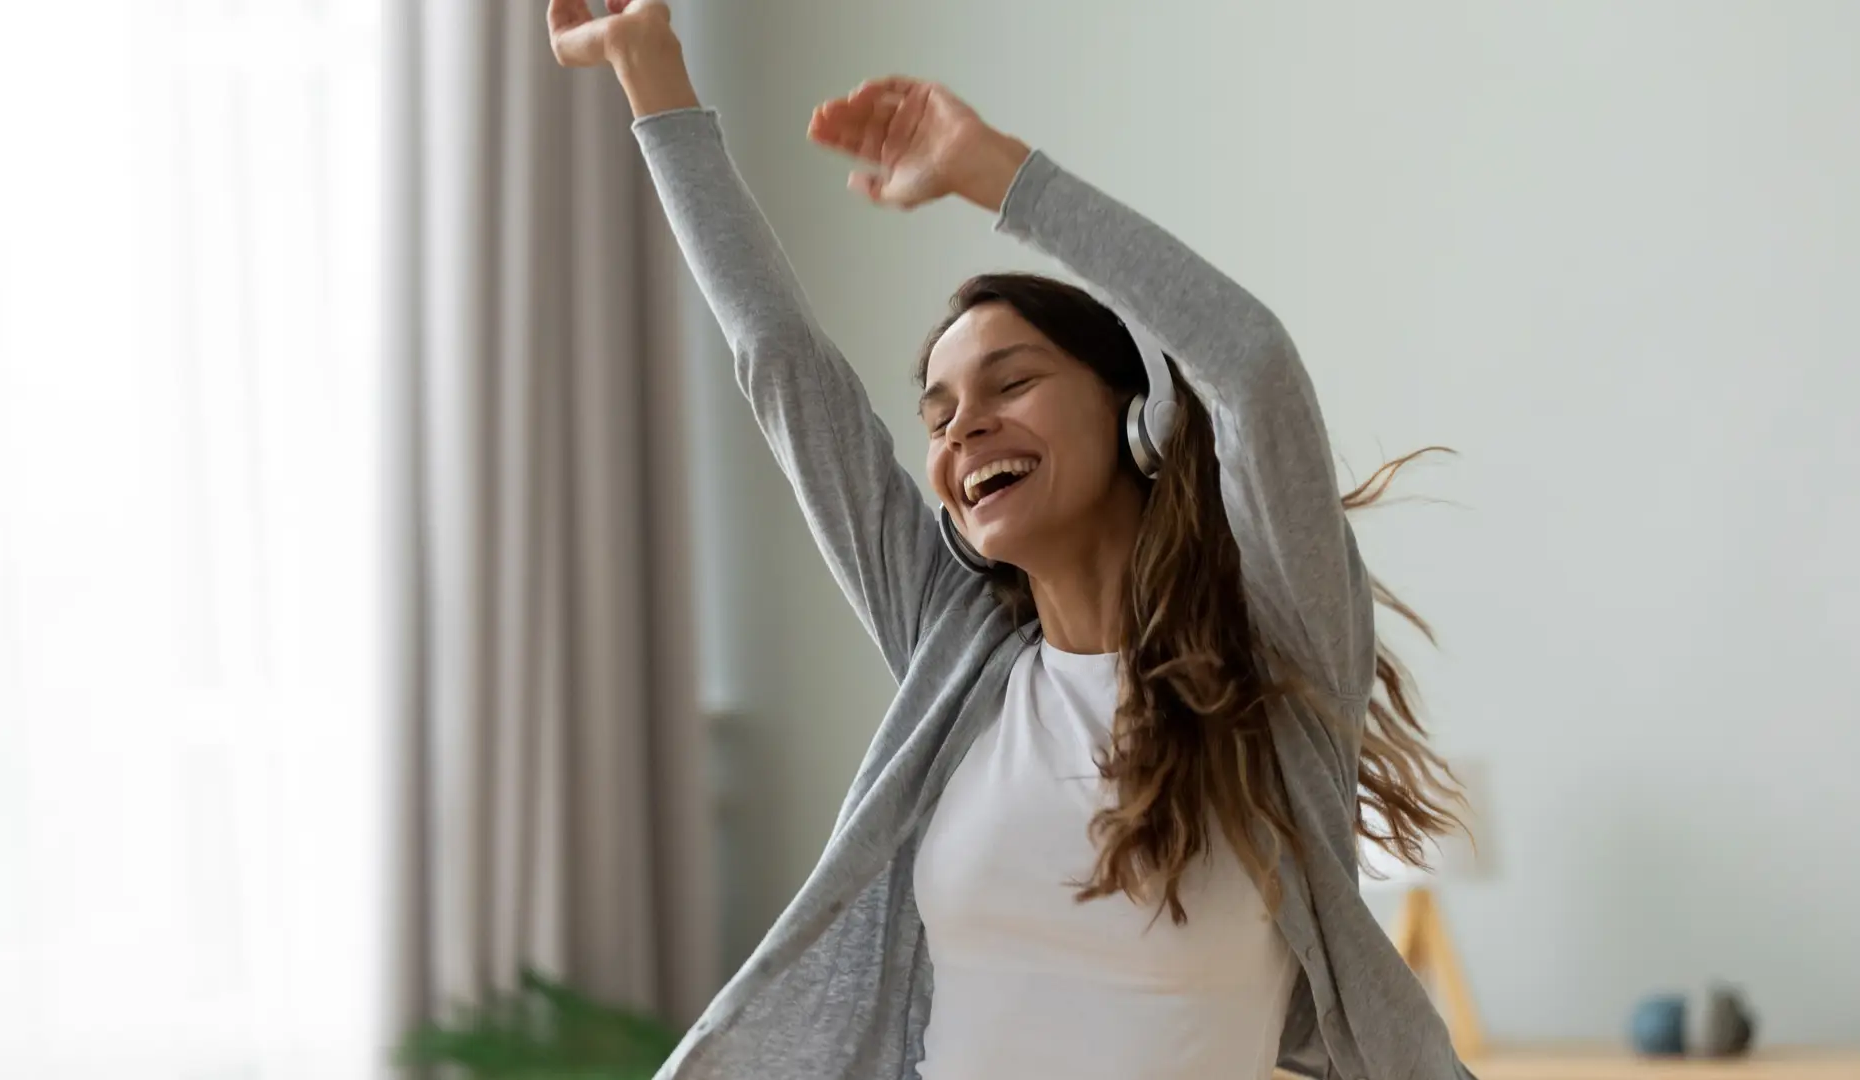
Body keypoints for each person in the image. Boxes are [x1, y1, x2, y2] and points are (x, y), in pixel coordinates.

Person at [548, 2, 1473, 1078]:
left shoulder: (1279, 660)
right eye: (938, 414)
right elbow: (781, 363)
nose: (964, 426)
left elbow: (1251, 365)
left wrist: (993, 171)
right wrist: (647, 64)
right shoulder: (957, 653)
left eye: (1012, 381)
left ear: (1135, 417)